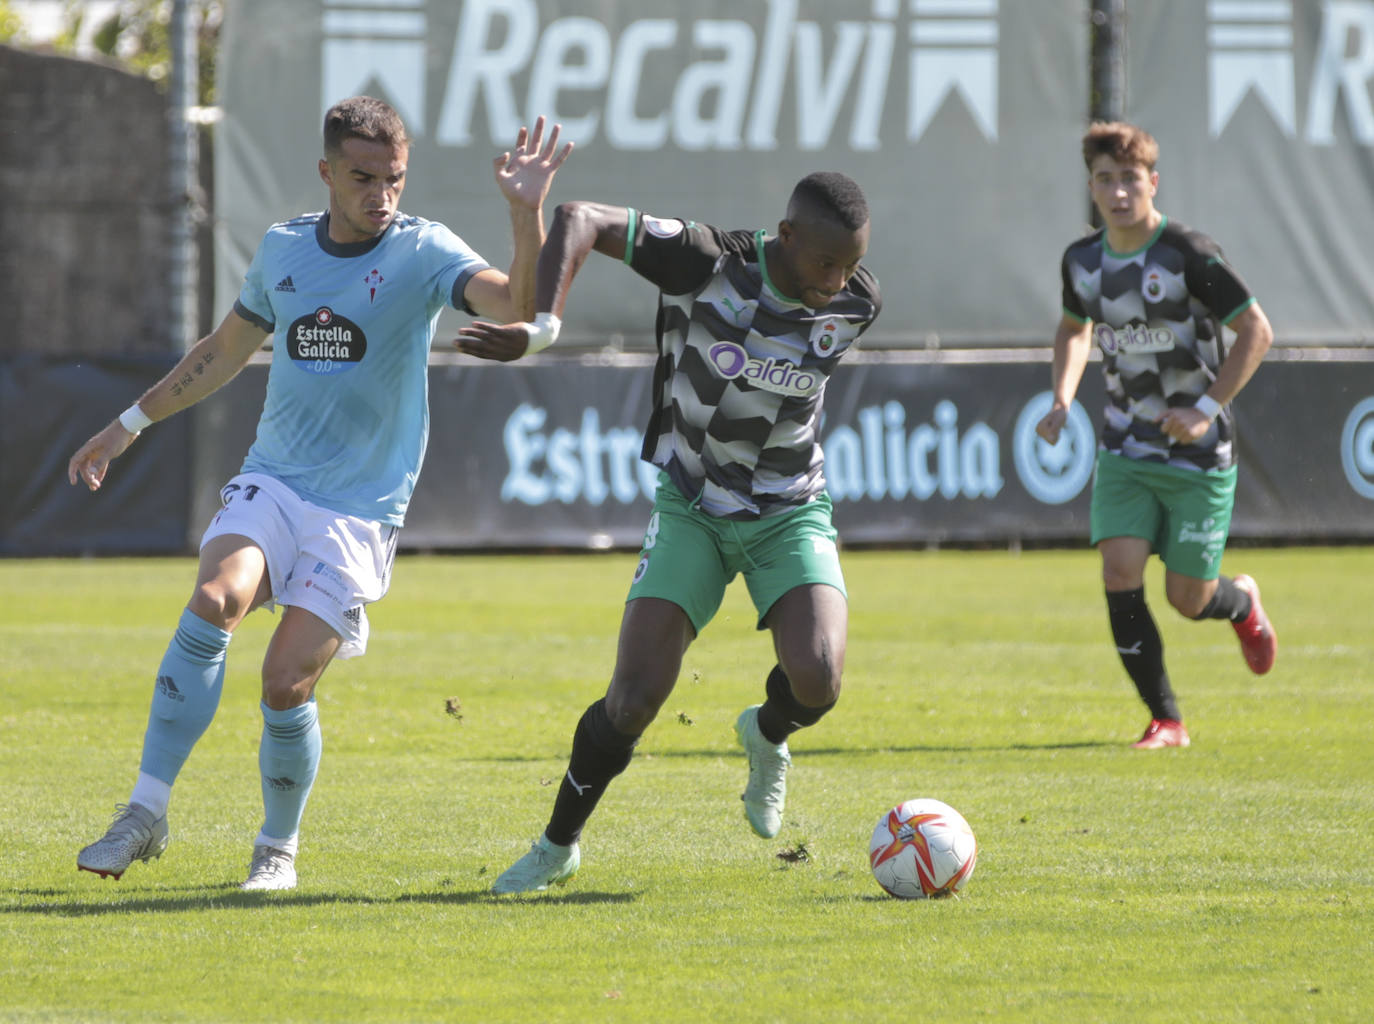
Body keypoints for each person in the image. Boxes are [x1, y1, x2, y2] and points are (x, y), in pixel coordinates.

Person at [67, 96, 571, 889]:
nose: (382, 195)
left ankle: (277, 849)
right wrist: (128, 422)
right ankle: (145, 810)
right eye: (364, 178)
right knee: (211, 602)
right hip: (276, 479)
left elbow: (517, 306)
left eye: (394, 179)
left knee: (284, 680)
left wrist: (527, 215)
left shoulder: (423, 251)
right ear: (327, 172)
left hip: (360, 510)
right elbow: (224, 352)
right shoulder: (282, 250)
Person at [456, 172, 881, 892]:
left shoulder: (856, 304)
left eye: (850, 265)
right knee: (632, 700)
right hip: (693, 505)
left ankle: (767, 732)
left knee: (819, 679)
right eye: (825, 265)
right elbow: (580, 216)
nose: (838, 282)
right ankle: (557, 846)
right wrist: (543, 327)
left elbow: (830, 297)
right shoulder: (708, 262)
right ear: (788, 237)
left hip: (789, 510)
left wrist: (834, 280)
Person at [1036, 121, 1277, 750]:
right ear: (1091, 186)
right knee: (1119, 572)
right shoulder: (1081, 260)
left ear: (1153, 182)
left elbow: (1256, 329)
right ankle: (1165, 719)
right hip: (1126, 446)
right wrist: (1062, 399)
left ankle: (1242, 604)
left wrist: (1205, 406)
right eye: (1105, 180)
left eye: (1130, 179)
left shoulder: (1187, 253)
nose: (1119, 192)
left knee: (1189, 598)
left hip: (1198, 452)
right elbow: (1072, 328)